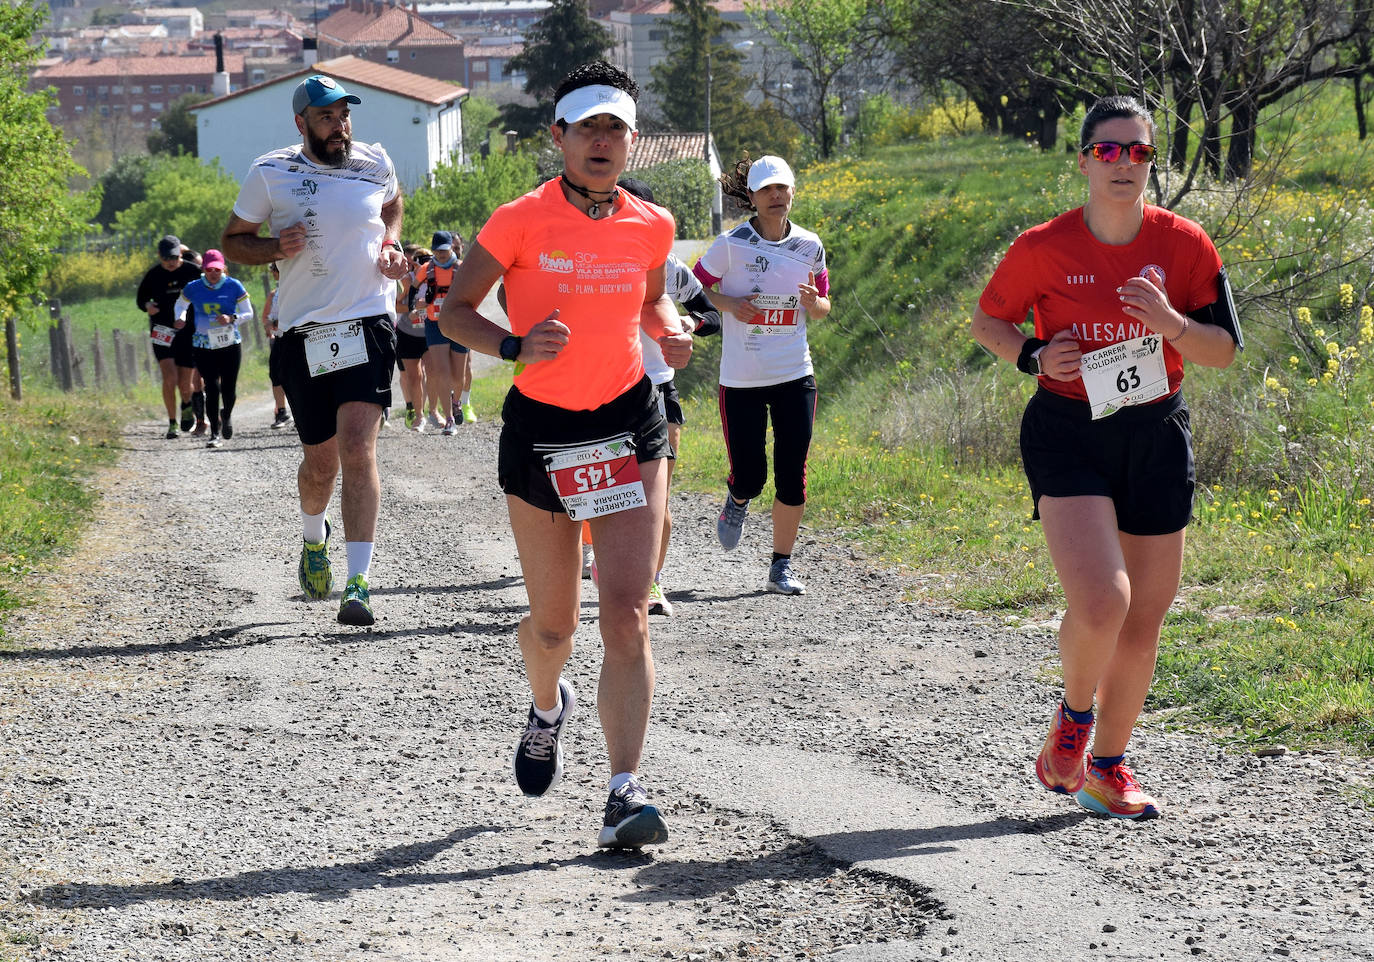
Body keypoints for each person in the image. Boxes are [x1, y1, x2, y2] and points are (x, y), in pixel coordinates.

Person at [437, 60, 692, 849]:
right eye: (589, 128)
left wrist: (668, 328)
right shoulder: (517, 220)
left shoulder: (652, 223)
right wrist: (514, 342)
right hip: (543, 433)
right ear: (559, 138)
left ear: (633, 142)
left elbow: (649, 296)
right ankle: (548, 706)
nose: (603, 142)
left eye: (616, 128)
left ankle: (624, 792)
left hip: (625, 426)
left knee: (626, 613)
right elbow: (454, 312)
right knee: (553, 629)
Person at [970, 95, 1242, 820]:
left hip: (1154, 433)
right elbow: (987, 320)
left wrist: (1173, 324)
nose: (1125, 164)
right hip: (1069, 429)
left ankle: (1108, 770)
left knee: (1145, 616)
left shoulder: (1185, 244)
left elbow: (1223, 350)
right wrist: (1032, 354)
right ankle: (1074, 718)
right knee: (1103, 601)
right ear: (1086, 158)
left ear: (1153, 162)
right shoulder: (1042, 247)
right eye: (1110, 150)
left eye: (1140, 152)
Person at [220, 73, 408, 627]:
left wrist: (391, 244)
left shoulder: (374, 161)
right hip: (305, 333)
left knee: (358, 447)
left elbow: (393, 205)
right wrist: (275, 246)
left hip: (369, 322)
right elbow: (233, 241)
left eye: (344, 115)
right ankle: (312, 538)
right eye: (326, 117)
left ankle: (359, 582)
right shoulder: (270, 172)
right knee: (320, 463)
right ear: (300, 122)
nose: (339, 126)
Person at [692, 154, 831, 596]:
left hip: (795, 372)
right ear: (751, 197)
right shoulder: (730, 245)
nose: (776, 195)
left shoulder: (810, 245)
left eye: (782, 187)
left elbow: (825, 306)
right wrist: (730, 305)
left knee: (793, 474)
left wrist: (814, 304)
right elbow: (693, 291)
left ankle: (780, 568)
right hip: (742, 378)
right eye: (766, 189)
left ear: (792, 192)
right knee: (752, 475)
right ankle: (737, 500)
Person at [583, 177, 722, 616]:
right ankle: (597, 556)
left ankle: (652, 584)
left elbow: (711, 315)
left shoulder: (671, 268)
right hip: (603, 387)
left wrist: (688, 326)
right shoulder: (593, 263)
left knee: (657, 499)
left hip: (659, 388)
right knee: (602, 491)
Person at [173, 249, 253, 449]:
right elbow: (180, 304)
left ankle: (226, 415)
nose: (214, 273)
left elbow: (248, 313)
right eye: (209, 269)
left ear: (223, 268)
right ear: (204, 269)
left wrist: (232, 318)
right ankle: (215, 432)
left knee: (228, 388)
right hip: (203, 344)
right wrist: (180, 318)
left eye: (217, 269)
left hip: (230, 343)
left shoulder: (234, 285)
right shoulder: (194, 287)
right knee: (211, 386)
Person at [136, 234, 202, 438]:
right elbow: (141, 300)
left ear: (179, 255)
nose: (171, 263)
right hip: (162, 331)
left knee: (185, 383)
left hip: (188, 331)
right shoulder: (153, 275)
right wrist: (147, 306)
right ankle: (172, 422)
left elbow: (208, 291)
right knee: (169, 377)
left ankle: (187, 404)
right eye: (166, 259)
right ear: (159, 256)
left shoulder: (193, 271)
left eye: (174, 258)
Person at [418, 230, 471, 435]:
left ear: (452, 248)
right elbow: (414, 289)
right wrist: (417, 302)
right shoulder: (427, 269)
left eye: (444, 250)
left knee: (459, 377)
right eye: (437, 251)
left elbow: (475, 291)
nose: (441, 254)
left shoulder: (462, 268)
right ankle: (449, 419)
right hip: (435, 324)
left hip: (459, 325)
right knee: (441, 373)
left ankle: (456, 401)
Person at [393, 245, 430, 430]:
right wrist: (410, 301)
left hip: (430, 331)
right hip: (407, 333)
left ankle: (435, 413)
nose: (421, 264)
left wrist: (426, 306)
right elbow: (395, 306)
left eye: (426, 260)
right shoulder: (404, 280)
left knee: (432, 374)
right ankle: (417, 413)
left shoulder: (434, 278)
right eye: (418, 260)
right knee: (413, 376)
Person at [261, 262, 292, 429]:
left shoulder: (295, 287)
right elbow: (266, 317)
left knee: (296, 376)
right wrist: (268, 326)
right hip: (278, 338)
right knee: (276, 375)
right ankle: (281, 412)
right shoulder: (274, 294)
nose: (274, 273)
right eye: (273, 269)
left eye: (276, 269)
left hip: (295, 337)